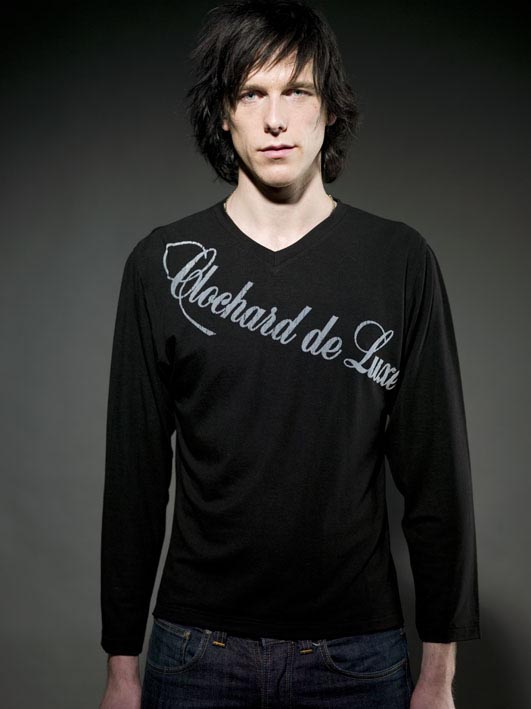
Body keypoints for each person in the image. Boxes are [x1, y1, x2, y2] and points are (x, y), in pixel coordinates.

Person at [99, 1, 481, 707]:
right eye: (251, 93)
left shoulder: (398, 260)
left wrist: (439, 672)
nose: (275, 119)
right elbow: (133, 479)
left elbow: (437, 478)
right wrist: (122, 667)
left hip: (357, 654)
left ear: (329, 108)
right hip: (195, 651)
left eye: (297, 91)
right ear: (223, 114)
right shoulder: (160, 264)